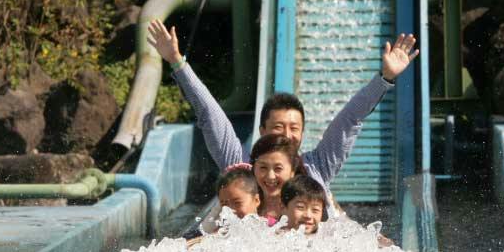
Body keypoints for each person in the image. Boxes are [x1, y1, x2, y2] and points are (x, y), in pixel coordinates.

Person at [146, 19, 417, 197]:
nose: (286, 134)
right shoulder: (242, 168)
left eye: (294, 128)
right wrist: (178, 63)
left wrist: (384, 79)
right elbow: (210, 114)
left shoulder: (317, 168)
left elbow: (349, 120)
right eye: (278, 127)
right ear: (262, 130)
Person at [249, 134, 302, 220]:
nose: (270, 176)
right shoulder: (241, 203)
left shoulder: (303, 210)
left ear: (292, 171)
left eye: (278, 168)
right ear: (254, 168)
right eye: (263, 167)